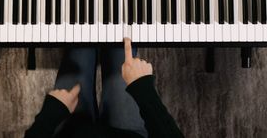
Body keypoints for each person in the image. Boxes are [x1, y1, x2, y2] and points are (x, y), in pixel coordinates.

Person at [25, 38, 184, 138]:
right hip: (128, 134)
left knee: (80, 38)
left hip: (70, 132)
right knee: (121, 41)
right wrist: (143, 89)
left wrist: (49, 116)